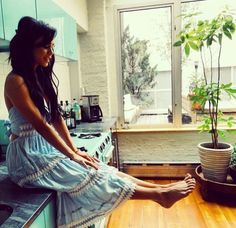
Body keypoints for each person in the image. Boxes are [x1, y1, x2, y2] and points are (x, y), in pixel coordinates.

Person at [4, 16, 196, 228]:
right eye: (46, 47)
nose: (51, 53)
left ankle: (160, 191)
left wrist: (75, 151)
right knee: (89, 174)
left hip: (43, 151)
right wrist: (72, 155)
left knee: (102, 170)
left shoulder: (38, 77)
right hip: (26, 158)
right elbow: (42, 125)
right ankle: (160, 194)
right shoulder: (15, 81)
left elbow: (57, 118)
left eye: (52, 47)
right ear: (28, 47)